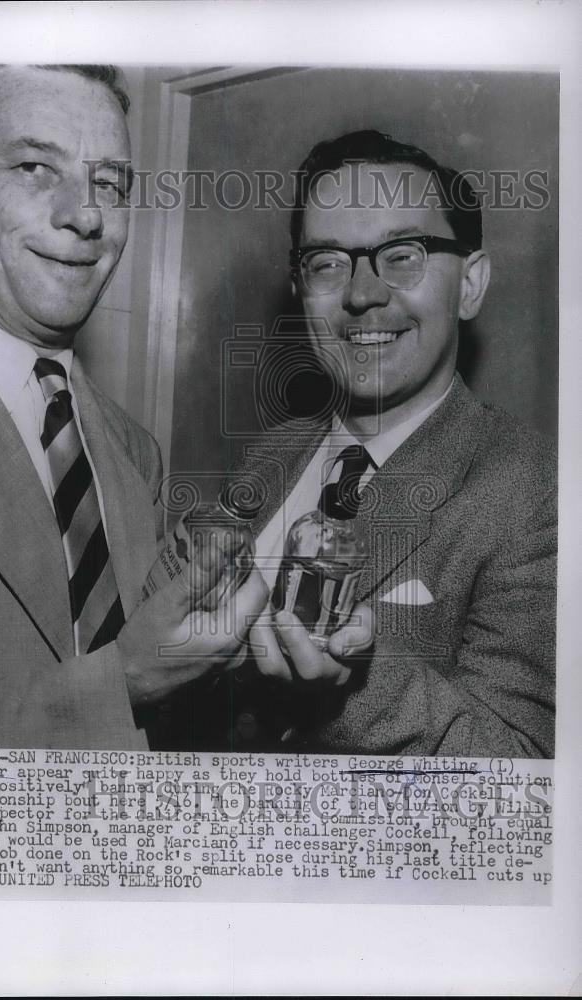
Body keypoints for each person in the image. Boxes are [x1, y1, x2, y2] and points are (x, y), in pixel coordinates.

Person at [0, 63, 274, 748]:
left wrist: (208, 627)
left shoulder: (130, 447)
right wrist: (121, 684)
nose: (87, 213)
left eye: (109, 182)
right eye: (36, 167)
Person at [193, 130, 556, 758]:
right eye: (328, 262)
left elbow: (520, 769)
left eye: (402, 255)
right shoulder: (272, 453)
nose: (362, 294)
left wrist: (351, 687)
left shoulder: (536, 489)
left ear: (469, 284)